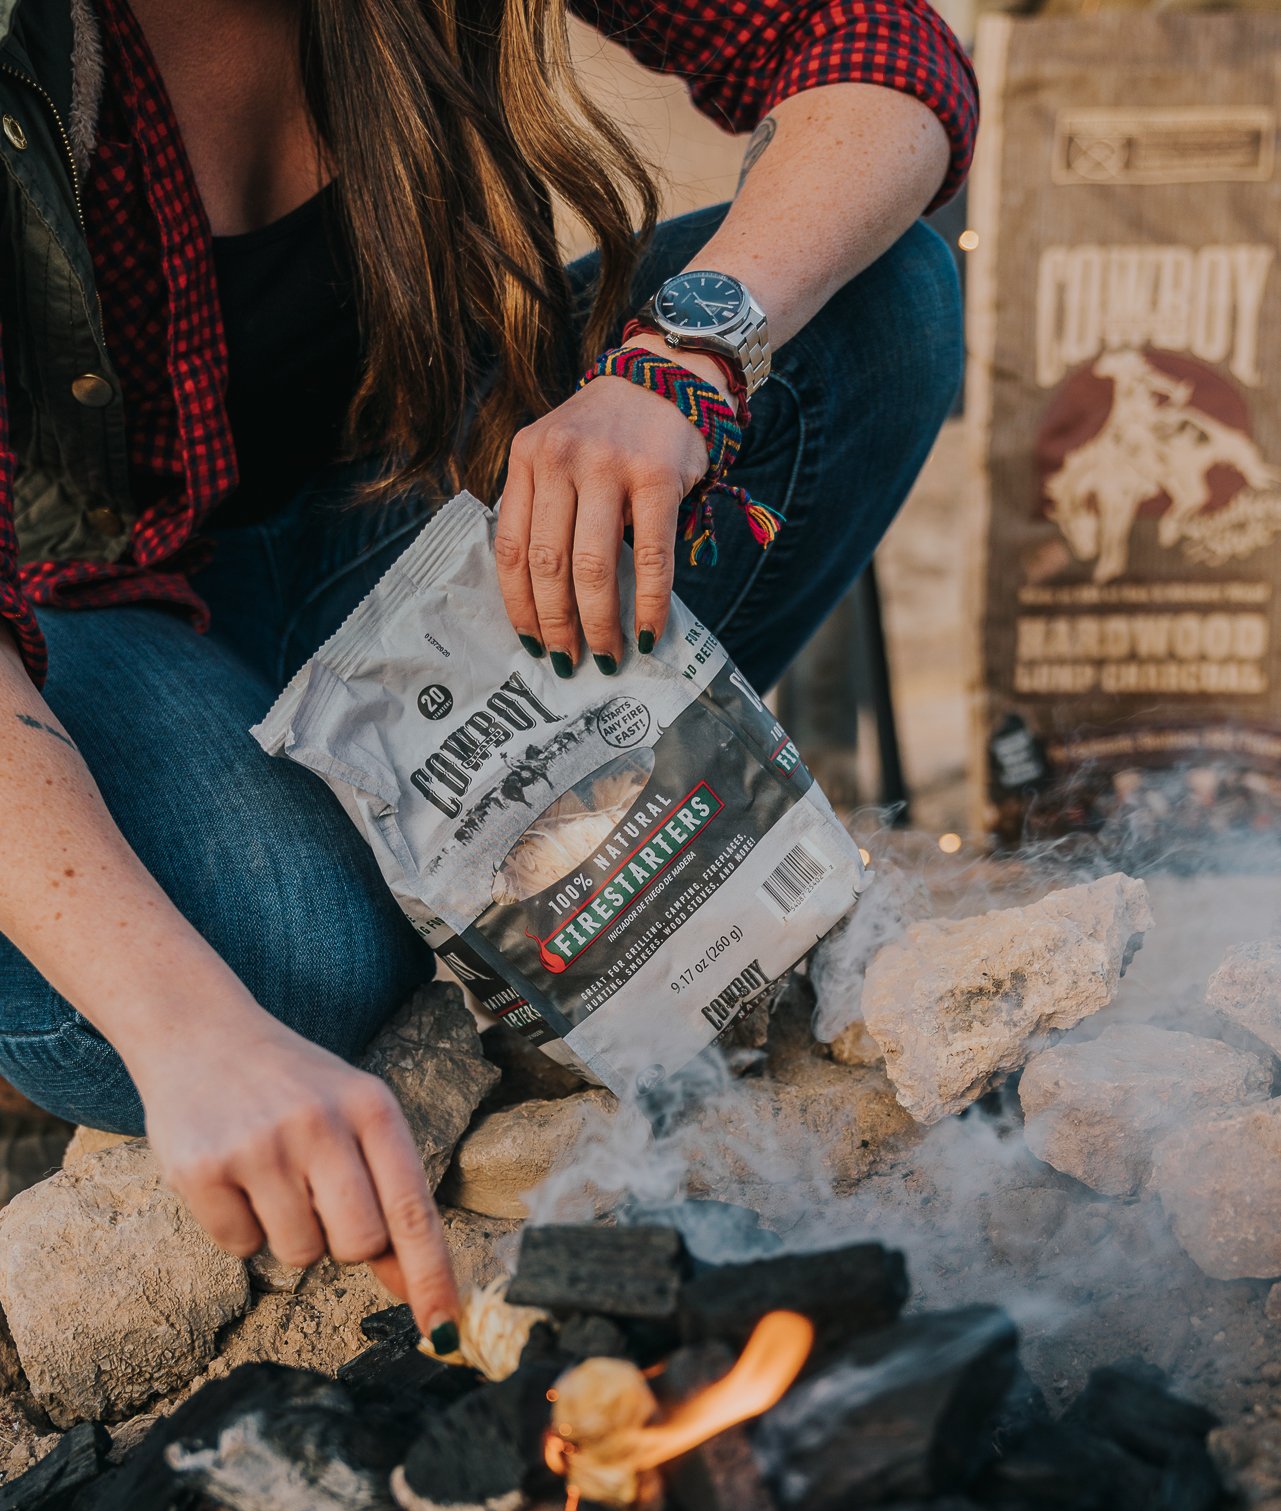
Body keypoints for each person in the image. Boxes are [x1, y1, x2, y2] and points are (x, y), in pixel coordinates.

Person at [0, 0, 975, 1335]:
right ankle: (370, 903)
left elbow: (869, 45)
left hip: (400, 512)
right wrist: (187, 1032)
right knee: (280, 962)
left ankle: (462, 880)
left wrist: (685, 359)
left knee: (872, 299)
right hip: (79, 614)